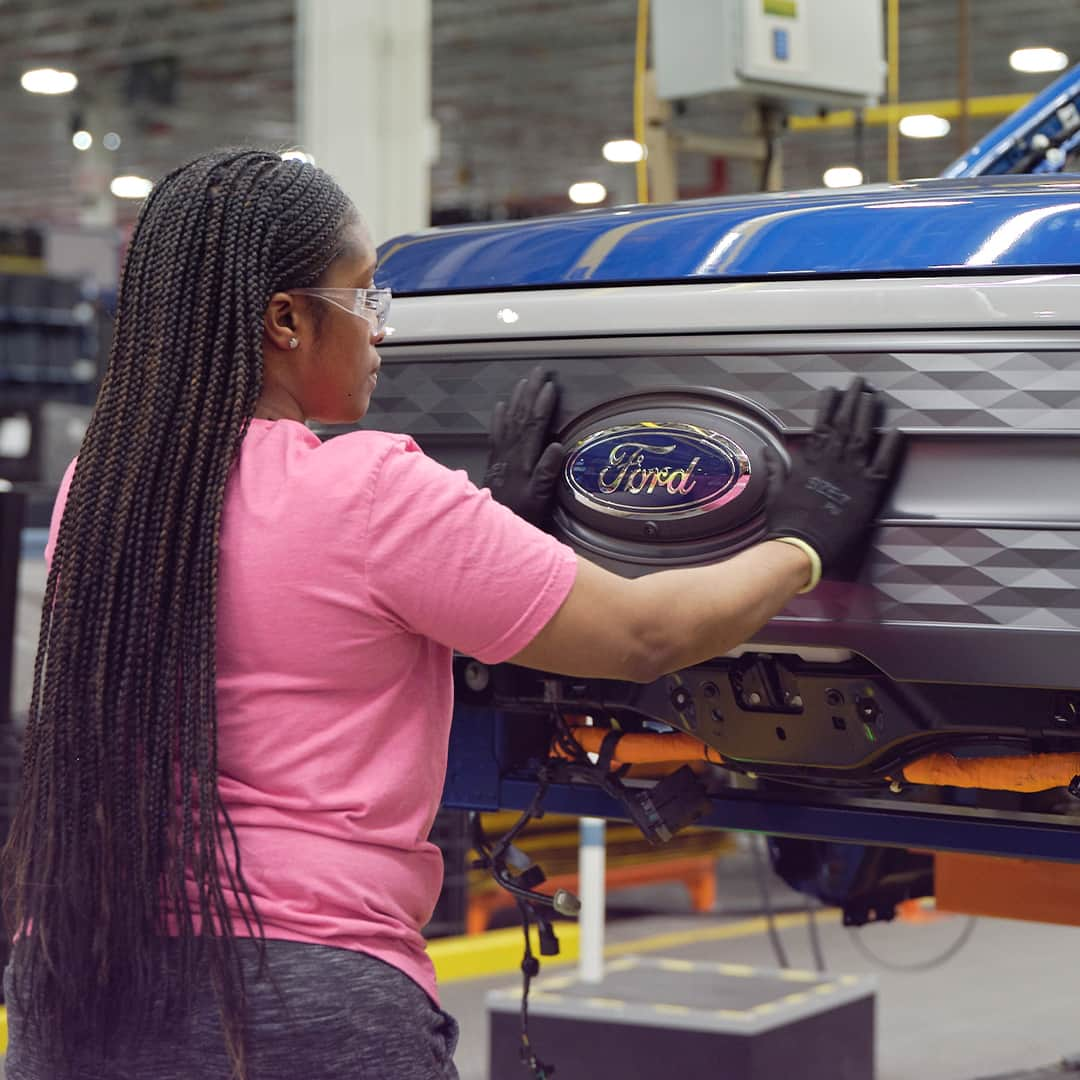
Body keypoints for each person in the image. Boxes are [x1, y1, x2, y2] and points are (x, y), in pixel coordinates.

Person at [1, 149, 902, 1080]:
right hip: (295, 989)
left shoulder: (100, 491)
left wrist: (491, 534)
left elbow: (302, 617)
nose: (381, 334)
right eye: (366, 299)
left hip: (78, 967)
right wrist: (801, 543)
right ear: (285, 321)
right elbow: (646, 636)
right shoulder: (367, 486)